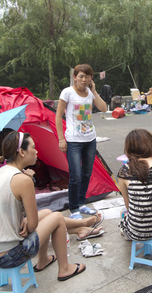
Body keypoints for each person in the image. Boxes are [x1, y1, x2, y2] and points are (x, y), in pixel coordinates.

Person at [0, 132, 86, 281]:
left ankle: (43, 260)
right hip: (7, 256)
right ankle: (64, 269)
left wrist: (26, 220)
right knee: (58, 217)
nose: (36, 151)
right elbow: (32, 225)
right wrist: (28, 221)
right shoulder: (22, 180)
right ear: (21, 152)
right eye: (33, 147)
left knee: (46, 212)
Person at [56, 64, 107, 220]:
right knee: (75, 175)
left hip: (90, 139)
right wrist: (61, 139)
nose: (84, 79)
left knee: (86, 173)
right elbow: (58, 116)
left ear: (91, 78)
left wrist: (94, 91)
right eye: (81, 76)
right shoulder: (68, 92)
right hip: (73, 141)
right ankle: (74, 208)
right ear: (75, 77)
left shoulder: (90, 93)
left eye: (87, 76)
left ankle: (82, 203)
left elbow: (104, 108)